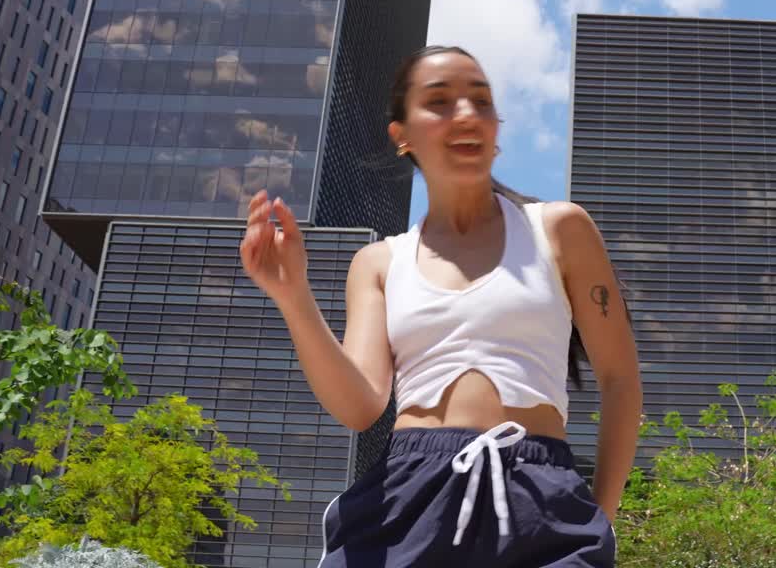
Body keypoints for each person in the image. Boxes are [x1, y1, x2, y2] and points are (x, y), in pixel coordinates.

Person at [239, 46, 642, 566]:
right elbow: (361, 405)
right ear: (401, 135)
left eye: (481, 100)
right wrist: (293, 296)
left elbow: (620, 380)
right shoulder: (379, 262)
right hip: (407, 500)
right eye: (440, 102)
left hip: (540, 496)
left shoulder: (560, 230)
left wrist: (601, 520)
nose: (467, 114)